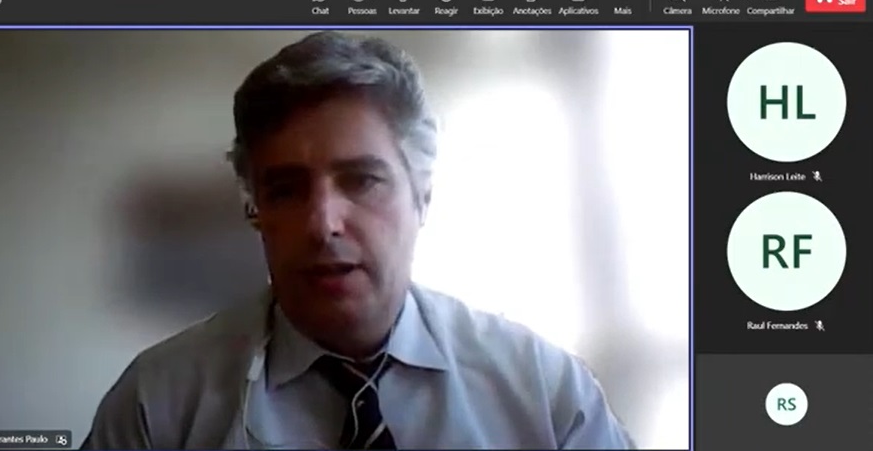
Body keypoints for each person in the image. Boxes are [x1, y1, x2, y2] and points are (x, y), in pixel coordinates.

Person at [80, 31, 635, 450]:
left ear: (422, 196)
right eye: (287, 189)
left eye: (362, 180)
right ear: (256, 212)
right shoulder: (158, 404)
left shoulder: (542, 390)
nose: (323, 223)